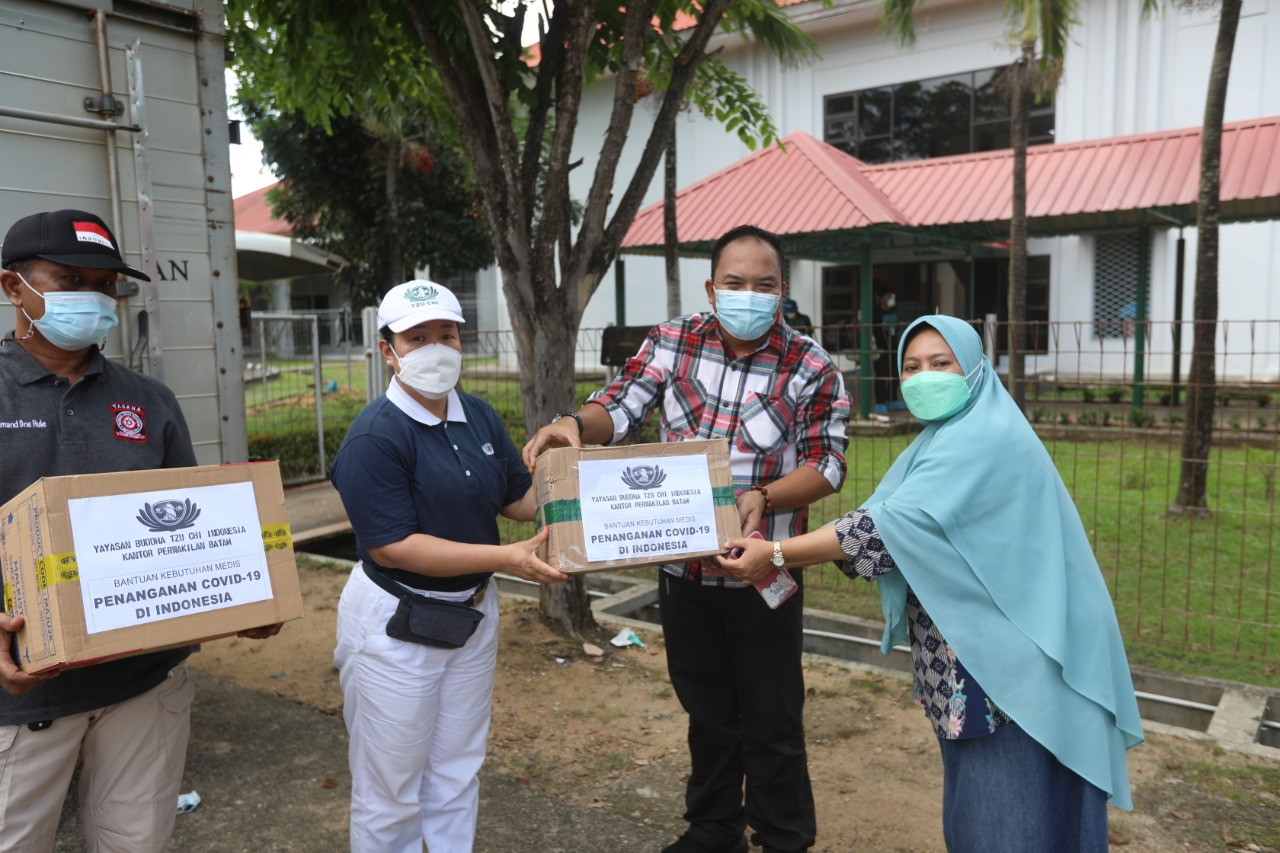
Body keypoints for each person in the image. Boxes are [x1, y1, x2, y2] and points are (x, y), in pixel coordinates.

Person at [721, 314, 1145, 853]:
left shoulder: (984, 437)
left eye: (941, 364)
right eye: (911, 367)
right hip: (974, 658)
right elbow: (884, 520)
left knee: (1003, 820)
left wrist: (776, 553)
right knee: (981, 812)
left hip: (1012, 671)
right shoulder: (938, 442)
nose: (924, 377)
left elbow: (886, 529)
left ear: (973, 369)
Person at [523, 225, 851, 853]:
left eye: (764, 285)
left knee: (772, 715)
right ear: (712, 286)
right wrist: (572, 423)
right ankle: (713, 830)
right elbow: (619, 406)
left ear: (783, 290)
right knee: (705, 708)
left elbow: (827, 463)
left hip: (763, 570)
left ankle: (783, 837)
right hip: (682, 572)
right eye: (735, 283)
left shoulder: (810, 365)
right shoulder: (672, 342)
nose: (748, 294)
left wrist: (769, 497)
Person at [0, 208, 281, 852]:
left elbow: (185, 532)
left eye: (105, 285)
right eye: (69, 279)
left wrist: (240, 596)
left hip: (145, 688)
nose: (93, 299)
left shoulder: (148, 400)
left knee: (136, 843)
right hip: (21, 698)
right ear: (14, 287)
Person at [330, 280, 569, 853]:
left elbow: (517, 501)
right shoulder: (374, 436)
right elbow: (394, 546)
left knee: (458, 769)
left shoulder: (478, 416)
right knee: (391, 787)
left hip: (470, 615)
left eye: (447, 334)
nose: (435, 347)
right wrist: (506, 559)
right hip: (396, 621)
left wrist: (569, 468)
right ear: (388, 349)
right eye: (417, 338)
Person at [870, 287, 902, 413]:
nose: (891, 300)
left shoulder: (894, 310)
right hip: (880, 348)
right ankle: (880, 401)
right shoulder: (875, 312)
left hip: (893, 346)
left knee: (895, 373)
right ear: (882, 298)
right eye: (888, 297)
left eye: (892, 297)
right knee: (881, 374)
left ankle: (892, 399)